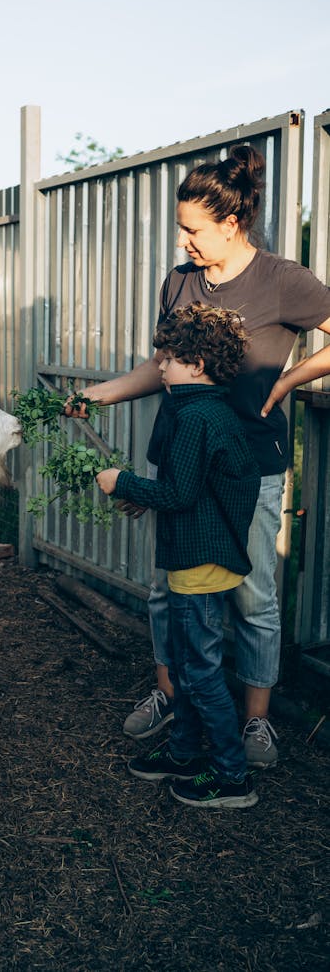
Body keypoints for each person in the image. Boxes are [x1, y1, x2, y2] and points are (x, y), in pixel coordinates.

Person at [67, 144, 330, 769]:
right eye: (181, 227)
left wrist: (290, 380)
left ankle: (257, 720)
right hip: (183, 463)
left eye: (193, 229)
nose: (183, 240)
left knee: (252, 597)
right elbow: (163, 365)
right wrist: (102, 393)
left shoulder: (284, 280)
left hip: (250, 470)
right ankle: (171, 696)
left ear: (231, 224)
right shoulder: (179, 282)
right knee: (167, 589)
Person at [97, 302, 260, 808]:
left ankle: (233, 775)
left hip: (200, 567)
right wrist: (145, 492)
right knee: (190, 667)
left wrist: (122, 482)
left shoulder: (194, 419)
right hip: (200, 560)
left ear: (196, 364)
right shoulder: (212, 412)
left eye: (167, 358)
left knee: (199, 672)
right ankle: (186, 751)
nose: (160, 367)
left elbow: (178, 495)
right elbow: (187, 488)